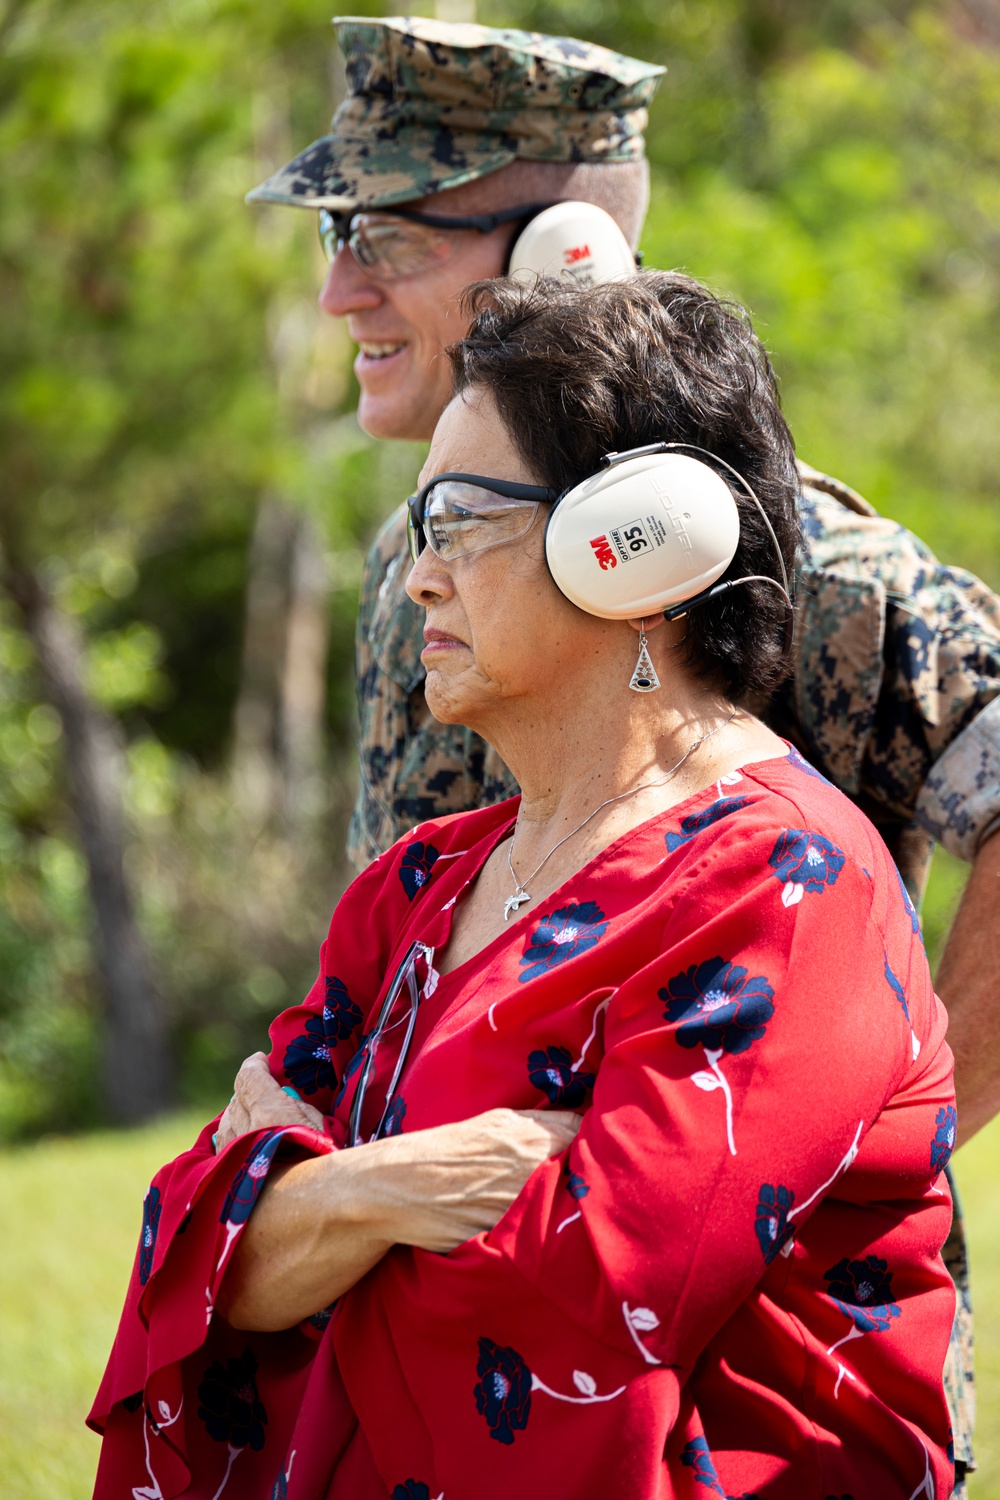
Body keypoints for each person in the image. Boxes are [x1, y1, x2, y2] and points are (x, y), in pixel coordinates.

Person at [249, 18, 1000, 1486]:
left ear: (565, 250)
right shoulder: (404, 576)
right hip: (426, 1363)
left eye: (385, 236)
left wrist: (885, 1125)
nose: (340, 288)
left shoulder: (794, 557)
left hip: (713, 1404)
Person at [91, 271, 956, 1499]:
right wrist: (402, 1182)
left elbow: (591, 1311)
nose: (416, 578)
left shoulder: (782, 884)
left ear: (635, 544)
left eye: (459, 520)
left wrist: (302, 1195)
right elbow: (192, 1261)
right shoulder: (412, 890)